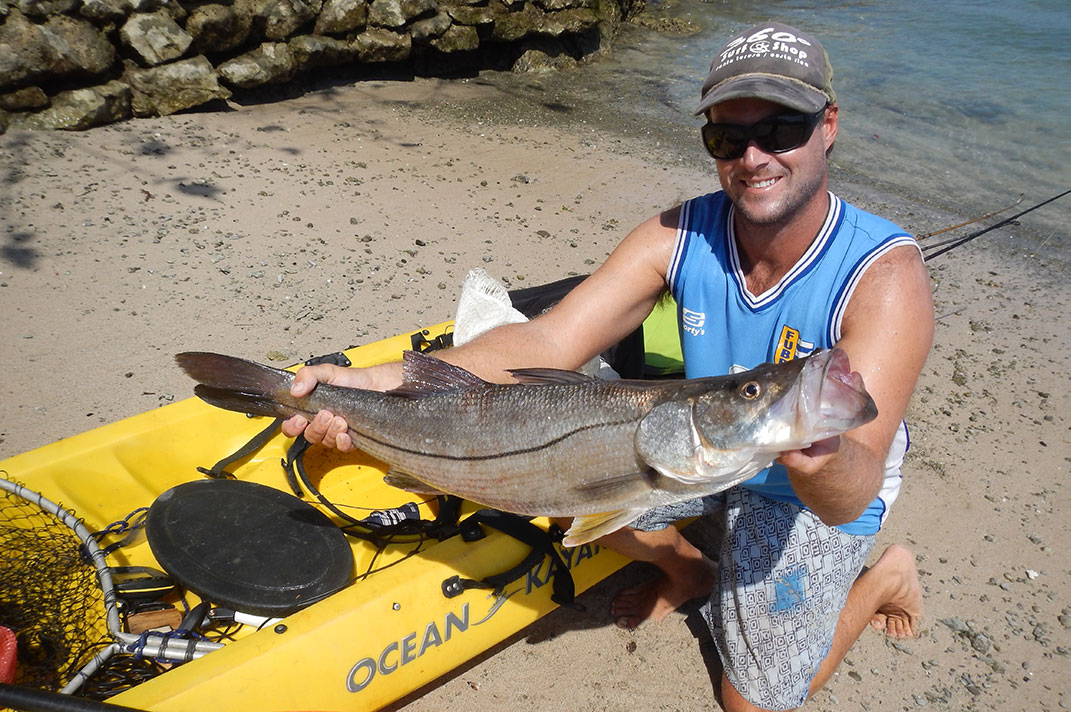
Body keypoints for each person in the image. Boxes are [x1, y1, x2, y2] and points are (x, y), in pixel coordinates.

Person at [281, 21, 933, 712]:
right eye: (725, 137)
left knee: (752, 707)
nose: (752, 156)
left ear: (827, 125)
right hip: (699, 446)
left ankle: (883, 579)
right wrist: (384, 382)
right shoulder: (678, 232)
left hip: (809, 488)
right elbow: (547, 341)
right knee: (550, 484)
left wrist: (818, 457)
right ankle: (685, 570)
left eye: (780, 130)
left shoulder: (885, 277)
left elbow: (850, 492)